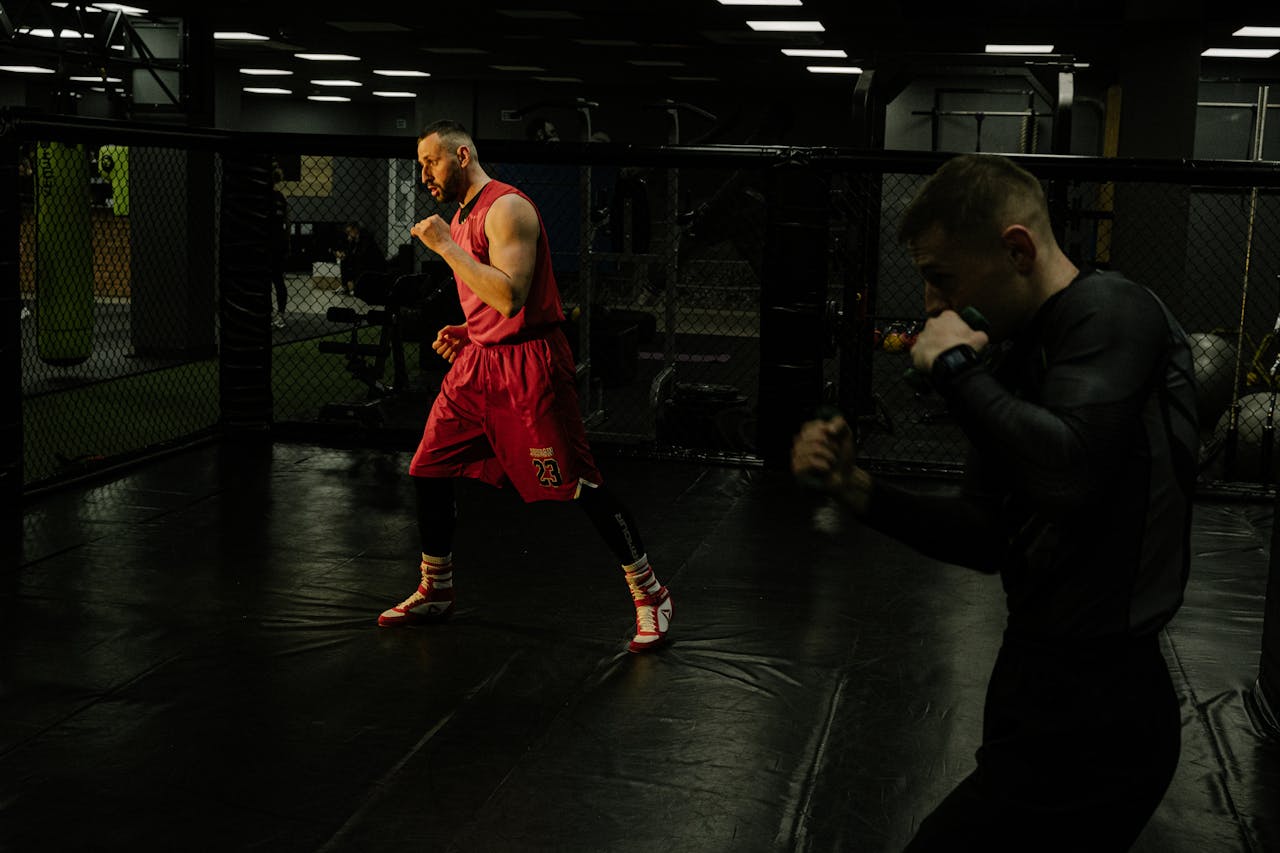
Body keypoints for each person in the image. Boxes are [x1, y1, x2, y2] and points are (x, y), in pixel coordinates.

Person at [792, 153, 1198, 851]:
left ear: (1016, 249)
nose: (929, 304)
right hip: (1036, 683)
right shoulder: (1015, 354)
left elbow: (1069, 478)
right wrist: (858, 489)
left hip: (1105, 704)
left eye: (939, 278)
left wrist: (953, 369)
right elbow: (985, 534)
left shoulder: (1113, 313)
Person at [378, 119, 672, 654]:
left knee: (579, 483)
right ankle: (436, 589)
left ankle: (651, 595)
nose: (424, 175)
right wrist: (470, 330)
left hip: (530, 368)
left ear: (462, 155)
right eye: (420, 165)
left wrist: (445, 246)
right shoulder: (465, 214)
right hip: (477, 367)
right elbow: (493, 302)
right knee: (427, 467)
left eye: (431, 162)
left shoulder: (508, 208)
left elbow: (512, 297)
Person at [334, 221, 386, 297]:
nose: (348, 234)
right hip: (360, 259)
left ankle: (353, 286)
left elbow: (362, 254)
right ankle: (345, 286)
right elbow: (351, 252)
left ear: (355, 229)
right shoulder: (354, 238)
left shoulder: (365, 237)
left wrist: (349, 253)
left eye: (349, 232)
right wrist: (344, 253)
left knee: (354, 262)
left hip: (371, 262)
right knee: (344, 260)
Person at [268, 167, 289, 329]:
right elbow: (286, 223)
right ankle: (279, 314)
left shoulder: (269, 197)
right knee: (277, 279)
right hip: (278, 244)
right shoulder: (280, 197)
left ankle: (274, 313)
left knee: (271, 280)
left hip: (268, 244)